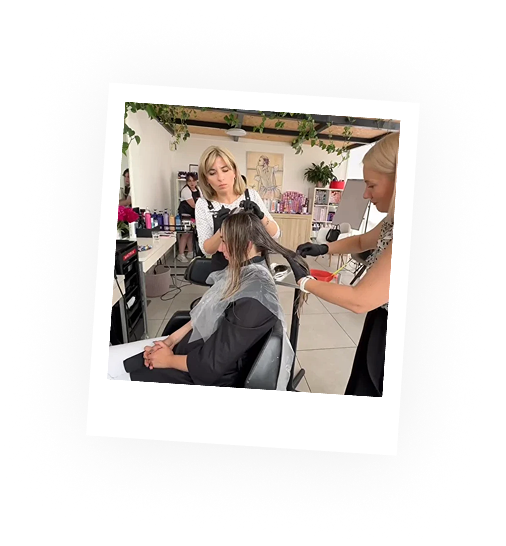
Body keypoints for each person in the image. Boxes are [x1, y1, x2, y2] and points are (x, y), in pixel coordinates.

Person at [107, 210, 310, 388]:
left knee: (109, 374)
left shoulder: (253, 301)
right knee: (110, 363)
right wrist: (169, 341)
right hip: (187, 352)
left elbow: (210, 366)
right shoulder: (242, 272)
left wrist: (168, 360)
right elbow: (202, 314)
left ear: (247, 245)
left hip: (199, 374)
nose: (220, 249)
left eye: (224, 241)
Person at [287, 131, 399, 398]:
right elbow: (361, 241)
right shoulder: (393, 221)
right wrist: (324, 247)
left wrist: (305, 282)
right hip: (378, 320)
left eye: (372, 185)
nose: (365, 194)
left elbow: (359, 300)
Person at [195, 145, 281, 273]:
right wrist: (222, 230)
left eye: (225, 170)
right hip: (222, 272)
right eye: (212, 173)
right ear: (206, 179)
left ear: (234, 172)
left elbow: (275, 234)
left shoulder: (251, 195)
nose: (220, 178)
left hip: (254, 270)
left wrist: (261, 216)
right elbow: (206, 250)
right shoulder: (203, 204)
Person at [176, 172, 201, 262]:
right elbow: (194, 205)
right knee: (186, 233)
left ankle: (190, 252)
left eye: (194, 180)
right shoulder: (185, 191)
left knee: (190, 233)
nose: (192, 183)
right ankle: (180, 254)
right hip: (185, 214)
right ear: (186, 182)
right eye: (189, 181)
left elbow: (202, 201)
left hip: (194, 214)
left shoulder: (198, 189)